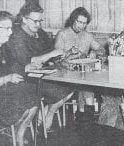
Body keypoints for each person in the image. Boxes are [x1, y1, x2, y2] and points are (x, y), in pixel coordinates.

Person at [7, 2, 74, 130]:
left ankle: (46, 114)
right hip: (24, 78)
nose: (38, 24)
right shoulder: (16, 36)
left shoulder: (40, 33)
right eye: (35, 21)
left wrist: (62, 57)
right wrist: (51, 54)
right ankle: (43, 117)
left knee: (70, 88)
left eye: (40, 21)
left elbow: (51, 54)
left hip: (42, 76)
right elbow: (27, 62)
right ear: (24, 19)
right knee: (61, 90)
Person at [34, 7, 105, 121]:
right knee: (85, 89)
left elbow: (101, 50)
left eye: (84, 23)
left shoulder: (87, 35)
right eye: (79, 22)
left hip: (82, 73)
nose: (81, 26)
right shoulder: (63, 34)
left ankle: (86, 123)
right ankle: (83, 121)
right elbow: (56, 58)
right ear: (73, 20)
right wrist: (68, 53)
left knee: (87, 90)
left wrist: (95, 52)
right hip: (65, 74)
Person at [0, 11, 39, 146]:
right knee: (21, 102)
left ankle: (19, 133)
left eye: (11, 28)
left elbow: (15, 68)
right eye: (7, 28)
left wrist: (28, 67)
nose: (11, 32)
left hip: (5, 90)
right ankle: (13, 131)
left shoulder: (5, 47)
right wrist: (7, 78)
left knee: (34, 97)